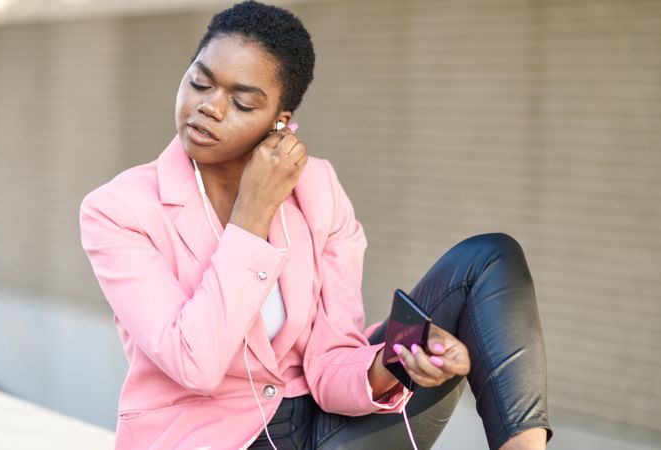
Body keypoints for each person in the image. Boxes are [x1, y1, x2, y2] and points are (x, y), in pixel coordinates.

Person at [79, 1, 552, 449]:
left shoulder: (317, 188)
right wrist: (253, 212)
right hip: (211, 438)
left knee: (488, 258)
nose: (210, 108)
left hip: (325, 429)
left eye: (242, 103)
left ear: (279, 123)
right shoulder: (119, 211)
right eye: (200, 83)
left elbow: (329, 365)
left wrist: (402, 361)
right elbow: (194, 363)